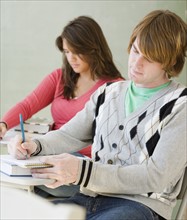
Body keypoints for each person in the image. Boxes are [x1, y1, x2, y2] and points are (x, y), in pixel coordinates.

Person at [8, 10, 187, 220]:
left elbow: (156, 176)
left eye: (149, 59)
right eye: (136, 51)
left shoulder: (180, 105)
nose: (136, 63)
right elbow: (69, 135)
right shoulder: (107, 93)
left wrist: (83, 172)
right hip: (89, 198)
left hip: (140, 207)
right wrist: (35, 145)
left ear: (168, 63)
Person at [0, 16, 123, 197]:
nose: (71, 58)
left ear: (93, 49)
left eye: (76, 52)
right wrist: (3, 124)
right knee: (13, 182)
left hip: (82, 165)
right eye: (66, 52)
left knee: (25, 190)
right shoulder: (60, 77)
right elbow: (27, 105)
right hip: (48, 153)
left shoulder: (115, 88)